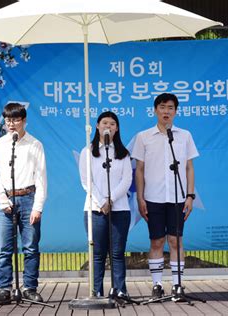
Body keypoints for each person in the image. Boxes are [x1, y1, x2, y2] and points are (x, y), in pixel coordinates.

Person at [131, 93, 199, 299]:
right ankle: (157, 284)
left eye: (170, 108)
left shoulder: (184, 135)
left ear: (176, 111)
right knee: (157, 241)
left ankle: (178, 285)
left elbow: (189, 167)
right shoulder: (143, 137)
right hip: (153, 197)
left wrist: (190, 196)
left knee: (176, 240)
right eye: (162, 107)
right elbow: (139, 170)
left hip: (178, 198)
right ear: (155, 110)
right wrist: (140, 198)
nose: (166, 111)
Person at [0, 102, 47, 304]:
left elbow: (41, 178)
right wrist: (3, 199)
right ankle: (4, 289)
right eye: (7, 120)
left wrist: (37, 206)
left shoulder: (35, 144)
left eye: (15, 120)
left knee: (31, 247)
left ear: (24, 121)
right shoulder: (1, 144)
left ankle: (30, 288)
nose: (11, 124)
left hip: (28, 197)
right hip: (6, 200)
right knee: (5, 248)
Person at [79, 111, 133, 299]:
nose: (107, 126)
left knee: (117, 253)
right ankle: (97, 292)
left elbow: (127, 180)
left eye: (112, 124)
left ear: (116, 128)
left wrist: (110, 199)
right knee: (98, 255)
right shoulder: (87, 152)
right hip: (95, 210)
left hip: (120, 209)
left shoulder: (123, 153)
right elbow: (87, 182)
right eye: (104, 123)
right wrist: (102, 202)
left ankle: (120, 290)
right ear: (97, 126)